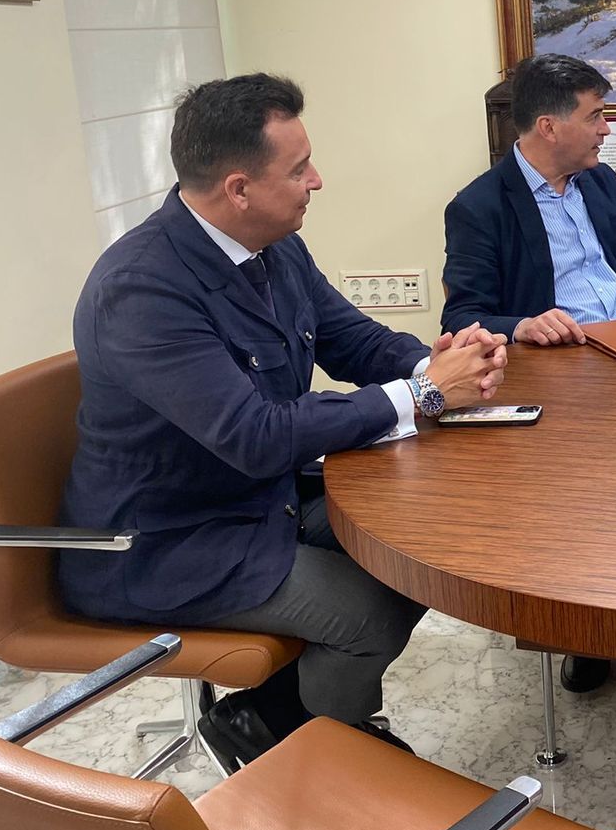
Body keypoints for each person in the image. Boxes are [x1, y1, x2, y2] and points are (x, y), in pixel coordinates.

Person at [59, 73, 507, 767]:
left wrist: (440, 361)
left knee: (426, 546)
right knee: (367, 615)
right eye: (299, 170)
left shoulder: (274, 246)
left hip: (256, 503)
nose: (317, 181)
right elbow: (255, 434)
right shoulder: (142, 289)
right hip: (165, 542)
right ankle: (320, 759)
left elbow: (353, 341)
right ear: (238, 188)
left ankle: (266, 719)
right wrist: (420, 395)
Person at [442, 52, 616, 692]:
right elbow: (465, 314)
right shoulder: (479, 206)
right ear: (549, 126)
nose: (607, 129)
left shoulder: (601, 183)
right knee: (590, 508)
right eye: (597, 115)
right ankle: (589, 629)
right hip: (565, 373)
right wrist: (520, 324)